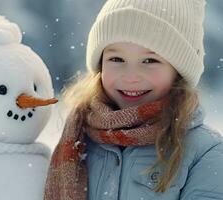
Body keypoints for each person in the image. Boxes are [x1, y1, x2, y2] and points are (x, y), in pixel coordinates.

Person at [44, 0, 223, 199]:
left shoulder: (205, 152)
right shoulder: (78, 138)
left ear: (178, 72)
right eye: (117, 59)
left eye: (150, 61)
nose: (130, 76)